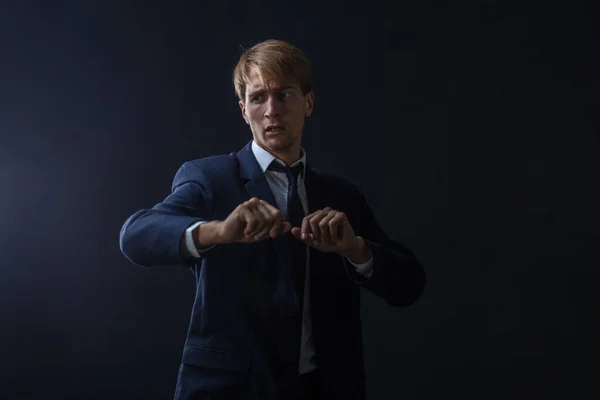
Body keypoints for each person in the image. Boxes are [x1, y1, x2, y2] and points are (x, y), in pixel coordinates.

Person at [119, 39, 426, 400]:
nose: (271, 111)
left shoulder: (343, 196)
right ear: (243, 109)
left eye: (283, 95)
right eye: (258, 97)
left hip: (326, 388)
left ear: (308, 103)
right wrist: (218, 231)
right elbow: (136, 236)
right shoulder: (210, 178)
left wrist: (355, 249)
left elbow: (409, 285)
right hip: (232, 390)